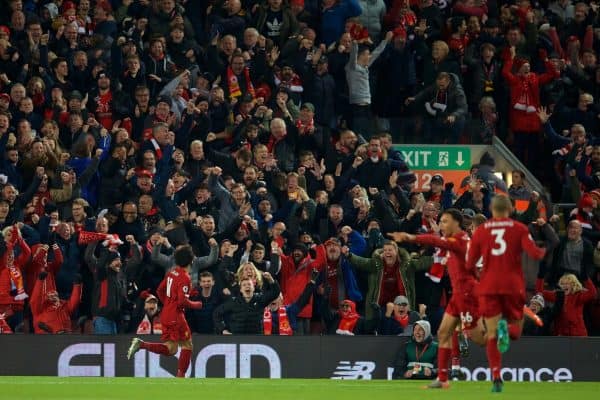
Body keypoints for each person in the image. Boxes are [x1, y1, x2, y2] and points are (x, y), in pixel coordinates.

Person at [389, 208, 486, 389]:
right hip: (458, 293)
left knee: (477, 338)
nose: (442, 224)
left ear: (456, 223)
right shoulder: (463, 241)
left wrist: (411, 238)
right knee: (443, 332)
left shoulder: (460, 241)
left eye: (445, 221)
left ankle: (488, 333)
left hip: (467, 292)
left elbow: (436, 241)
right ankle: (449, 372)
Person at [466, 194, 546, 392]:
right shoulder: (519, 228)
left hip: (489, 286)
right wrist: (545, 252)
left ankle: (496, 377)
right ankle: (506, 329)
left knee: (491, 334)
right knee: (516, 333)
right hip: (512, 285)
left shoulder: (481, 231)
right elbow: (535, 253)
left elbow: (469, 264)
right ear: (510, 210)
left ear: (492, 210)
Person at [127, 245, 203, 378]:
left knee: (171, 349)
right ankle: (180, 378)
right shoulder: (185, 278)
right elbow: (182, 302)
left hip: (165, 315)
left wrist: (168, 304)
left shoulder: (171, 273)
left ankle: (141, 344)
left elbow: (159, 291)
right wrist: (197, 304)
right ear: (191, 261)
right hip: (176, 316)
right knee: (187, 345)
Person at [213, 271, 281, 334]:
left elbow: (275, 293)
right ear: (241, 290)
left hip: (256, 338)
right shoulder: (234, 302)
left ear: (253, 288)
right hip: (237, 339)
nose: (247, 286)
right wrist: (223, 330)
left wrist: (271, 280)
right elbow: (216, 313)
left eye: (249, 284)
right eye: (244, 285)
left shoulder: (260, 299)